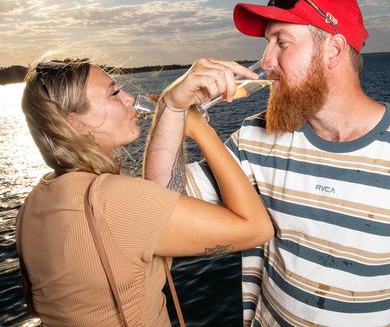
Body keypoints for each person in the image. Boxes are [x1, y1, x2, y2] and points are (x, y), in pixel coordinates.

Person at [144, 0, 390, 327]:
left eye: (281, 42)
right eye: (268, 44)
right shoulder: (254, 138)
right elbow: (160, 207)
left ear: (333, 50)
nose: (265, 61)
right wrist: (173, 109)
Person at [16, 57, 273, 326]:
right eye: (114, 93)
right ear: (76, 124)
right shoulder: (113, 200)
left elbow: (155, 201)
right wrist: (199, 128)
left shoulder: (35, 202)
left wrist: (172, 107)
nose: (129, 98)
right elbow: (256, 228)